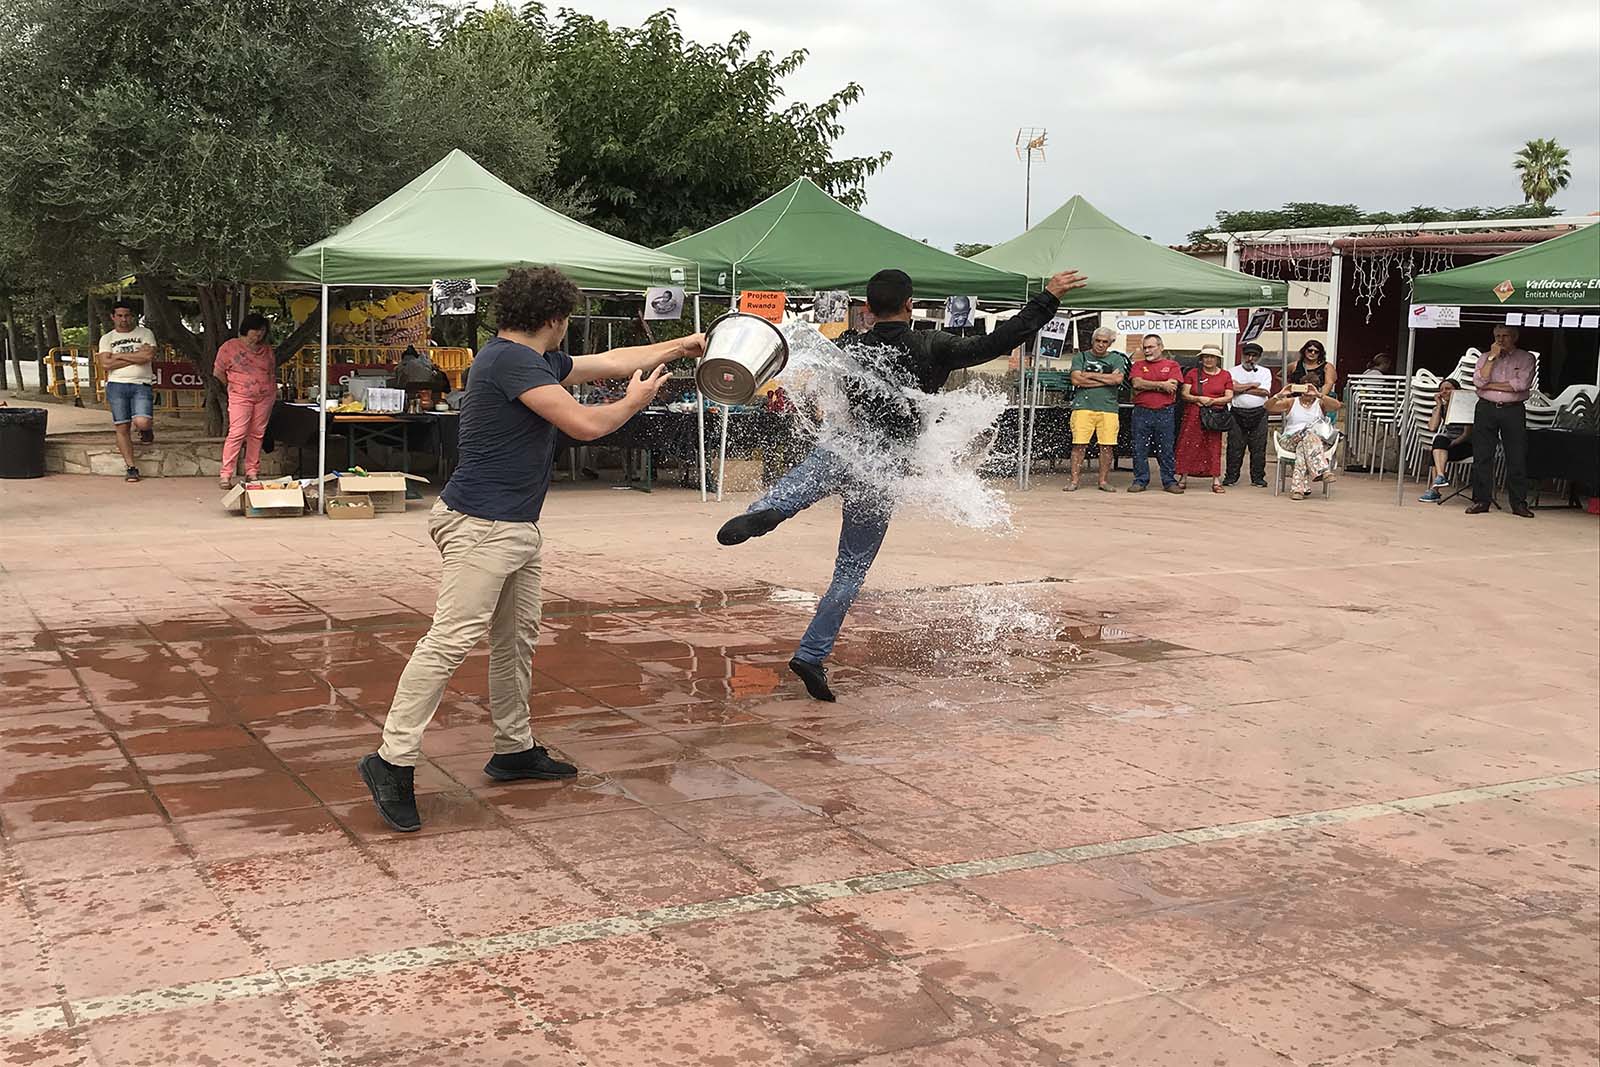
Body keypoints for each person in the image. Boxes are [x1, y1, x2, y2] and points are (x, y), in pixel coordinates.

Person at [360, 266, 706, 833]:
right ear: (554, 319)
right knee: (449, 641)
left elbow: (613, 359)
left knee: (514, 639)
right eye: (567, 318)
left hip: (511, 526)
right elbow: (586, 425)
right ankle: (391, 759)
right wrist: (634, 402)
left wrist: (683, 346)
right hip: (482, 526)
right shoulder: (512, 363)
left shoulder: (526, 356)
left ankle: (513, 749)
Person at [715, 266, 1087, 702]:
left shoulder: (850, 344)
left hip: (843, 446)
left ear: (868, 309)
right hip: (884, 464)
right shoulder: (933, 345)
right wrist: (1048, 298)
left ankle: (772, 509)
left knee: (797, 486)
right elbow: (996, 343)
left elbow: (793, 355)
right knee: (850, 570)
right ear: (909, 305)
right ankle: (811, 654)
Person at [1468, 325, 1536, 518]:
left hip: (1512, 410)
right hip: (1486, 408)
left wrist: (1490, 384)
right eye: (1497, 336)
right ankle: (1481, 500)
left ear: (1514, 337)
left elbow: (1521, 385)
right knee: (1482, 455)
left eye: (1505, 336)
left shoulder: (1525, 358)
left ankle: (1518, 503)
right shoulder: (1485, 357)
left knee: (1516, 456)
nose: (1500, 340)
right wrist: (1491, 358)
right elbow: (1479, 382)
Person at [213, 314, 278, 489]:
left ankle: (252, 471)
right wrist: (233, 386)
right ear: (246, 329)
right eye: (256, 330)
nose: (259, 335)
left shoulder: (267, 350)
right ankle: (226, 474)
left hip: (265, 396)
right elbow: (218, 372)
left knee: (257, 433)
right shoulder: (229, 347)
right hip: (240, 395)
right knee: (237, 432)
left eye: (263, 331)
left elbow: (271, 371)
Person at [96, 301, 159, 482]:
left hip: (141, 383)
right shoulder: (107, 338)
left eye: (127, 315)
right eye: (120, 316)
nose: (124, 319)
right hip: (117, 385)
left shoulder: (145, 333)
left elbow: (147, 356)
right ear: (113, 317)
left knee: (142, 421)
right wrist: (134, 357)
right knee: (122, 427)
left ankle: (146, 431)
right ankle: (131, 467)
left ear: (133, 316)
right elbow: (106, 364)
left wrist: (117, 355)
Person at [1064, 326, 1128, 492]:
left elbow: (1118, 379)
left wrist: (1089, 375)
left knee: (1107, 446)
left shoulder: (1117, 359)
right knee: (1079, 445)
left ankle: (1103, 481)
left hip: (1108, 408)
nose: (1100, 344)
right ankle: (1074, 480)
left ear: (1110, 343)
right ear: (1092, 341)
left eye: (1104, 342)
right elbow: (1076, 380)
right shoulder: (1081, 356)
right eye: (1097, 341)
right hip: (1083, 407)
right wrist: (1105, 380)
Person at [1127, 333, 1183, 494]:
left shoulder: (1172, 365)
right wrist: (1161, 385)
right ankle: (1140, 480)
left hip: (1165, 412)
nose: (1147, 350)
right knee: (1139, 447)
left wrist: (1149, 385)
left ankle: (1169, 481)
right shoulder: (1137, 365)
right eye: (1145, 347)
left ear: (1161, 347)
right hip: (1141, 412)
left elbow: (1172, 386)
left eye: (1151, 347)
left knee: (1166, 448)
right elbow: (1137, 383)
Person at [1265, 382, 1343, 499]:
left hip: (1312, 443)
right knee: (1307, 433)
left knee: (1303, 445)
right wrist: (1279, 395)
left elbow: (1337, 406)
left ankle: (1298, 489)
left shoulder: (1320, 403)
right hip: (1290, 440)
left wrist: (1319, 394)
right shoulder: (1291, 402)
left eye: (1310, 389)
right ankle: (1322, 470)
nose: (1307, 392)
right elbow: (1267, 407)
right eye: (1305, 388)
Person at [1176, 345, 1234, 493]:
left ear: (1217, 359)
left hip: (1214, 414)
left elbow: (1229, 396)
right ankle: (1183, 476)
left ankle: (1215, 479)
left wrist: (1213, 401)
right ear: (1201, 359)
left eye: (1212, 357)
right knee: (1188, 443)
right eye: (1206, 356)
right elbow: (1184, 394)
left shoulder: (1225, 375)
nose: (1209, 359)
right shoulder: (1193, 373)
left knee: (1214, 446)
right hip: (1193, 413)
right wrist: (1198, 398)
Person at [1224, 342, 1273, 487]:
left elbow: (1265, 392)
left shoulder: (1265, 372)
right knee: (1234, 446)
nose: (1250, 358)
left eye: (1254, 356)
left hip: (1259, 412)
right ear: (1242, 355)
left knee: (1258, 447)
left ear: (1258, 357)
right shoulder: (1232, 371)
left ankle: (1258, 477)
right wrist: (1252, 385)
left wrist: (1241, 388)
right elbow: (1231, 388)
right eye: (1247, 355)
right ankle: (1231, 476)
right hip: (1237, 412)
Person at [1419, 378, 1472, 502]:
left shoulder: (1465, 407)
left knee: (1437, 449)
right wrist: (1438, 406)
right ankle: (1441, 476)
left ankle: (1434, 490)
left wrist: (1452, 444)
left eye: (1448, 389)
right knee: (1438, 442)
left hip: (1465, 444)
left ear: (1457, 391)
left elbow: (1467, 434)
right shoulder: (1442, 408)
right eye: (1441, 390)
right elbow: (1432, 427)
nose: (1444, 392)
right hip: (1448, 446)